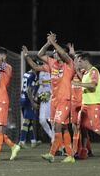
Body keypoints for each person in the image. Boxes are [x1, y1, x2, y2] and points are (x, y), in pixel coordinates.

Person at [25, 32, 75, 163]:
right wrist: (48, 43)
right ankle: (70, 156)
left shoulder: (69, 64)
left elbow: (64, 54)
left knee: (58, 126)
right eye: (54, 52)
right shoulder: (52, 64)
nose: (54, 53)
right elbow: (40, 56)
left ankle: (52, 154)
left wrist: (53, 43)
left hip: (65, 99)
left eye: (56, 52)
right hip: (54, 100)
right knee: (62, 127)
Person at [19, 56, 40, 148]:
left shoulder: (26, 74)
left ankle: (33, 141)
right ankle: (22, 141)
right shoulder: (33, 76)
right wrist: (33, 103)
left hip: (22, 98)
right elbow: (29, 90)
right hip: (28, 100)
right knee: (27, 121)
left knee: (30, 121)